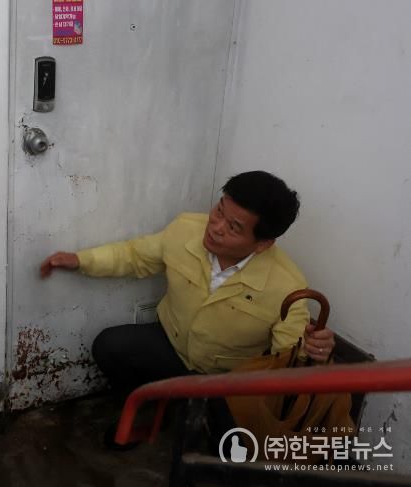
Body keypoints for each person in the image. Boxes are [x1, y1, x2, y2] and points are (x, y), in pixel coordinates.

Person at [40, 171, 335, 436]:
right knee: (110, 346)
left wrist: (315, 350)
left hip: (229, 378)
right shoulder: (185, 229)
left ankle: (205, 424)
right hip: (174, 348)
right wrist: (80, 260)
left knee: (232, 440)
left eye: (233, 227)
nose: (216, 227)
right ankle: (159, 409)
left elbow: (290, 355)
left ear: (262, 244)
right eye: (219, 211)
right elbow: (134, 256)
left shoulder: (287, 285)